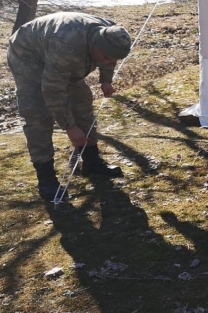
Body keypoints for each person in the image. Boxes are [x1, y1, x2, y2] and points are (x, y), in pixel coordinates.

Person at [7, 12, 132, 201]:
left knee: (81, 101)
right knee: (38, 115)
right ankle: (46, 178)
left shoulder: (112, 33)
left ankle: (91, 161)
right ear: (96, 45)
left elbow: (110, 56)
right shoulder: (65, 45)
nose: (109, 63)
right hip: (28, 55)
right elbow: (54, 90)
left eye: (113, 60)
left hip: (62, 56)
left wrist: (105, 80)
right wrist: (70, 127)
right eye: (105, 58)